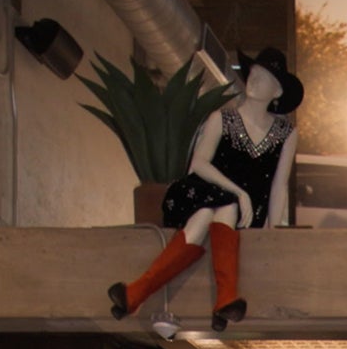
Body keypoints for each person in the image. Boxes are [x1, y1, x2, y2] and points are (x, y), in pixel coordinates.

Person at [107, 47, 302, 331]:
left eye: (265, 76)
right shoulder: (221, 119)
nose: (254, 79)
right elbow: (198, 164)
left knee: (207, 217)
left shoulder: (286, 134)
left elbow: (279, 185)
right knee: (223, 206)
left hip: (245, 213)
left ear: (278, 91)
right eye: (254, 73)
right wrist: (239, 192)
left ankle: (134, 293)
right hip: (202, 194)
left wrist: (271, 233)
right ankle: (224, 298)